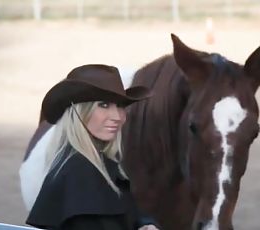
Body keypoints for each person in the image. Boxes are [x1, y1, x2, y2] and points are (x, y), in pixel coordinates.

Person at [25, 64, 159, 230]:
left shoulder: (100, 163)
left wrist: (144, 225)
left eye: (120, 106)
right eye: (103, 105)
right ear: (80, 111)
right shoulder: (80, 173)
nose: (117, 116)